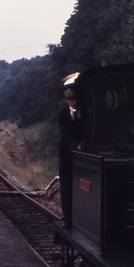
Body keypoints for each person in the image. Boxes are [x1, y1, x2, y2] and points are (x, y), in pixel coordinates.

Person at [58, 88, 86, 229]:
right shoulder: (63, 114)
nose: (74, 102)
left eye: (75, 99)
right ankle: (68, 218)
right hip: (67, 155)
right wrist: (76, 146)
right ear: (67, 101)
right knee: (67, 186)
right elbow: (64, 136)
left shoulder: (86, 112)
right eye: (71, 100)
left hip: (84, 151)